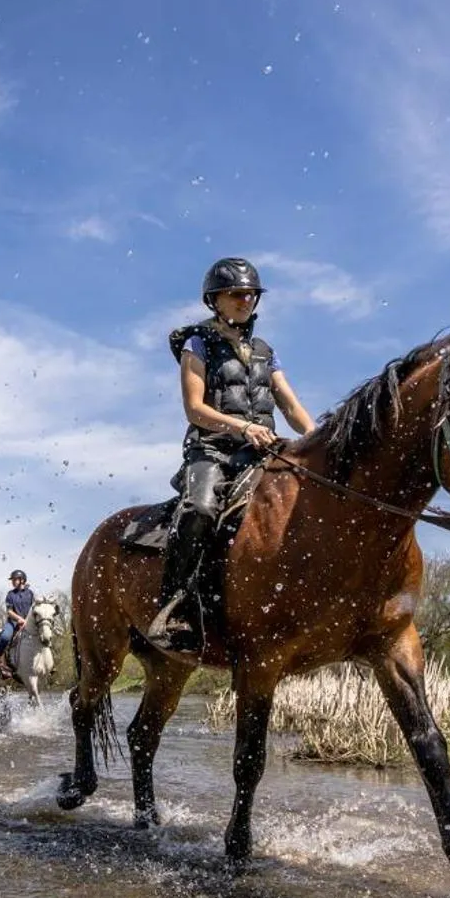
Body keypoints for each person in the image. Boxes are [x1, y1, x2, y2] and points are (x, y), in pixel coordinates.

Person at [145, 257, 315, 652]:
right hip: (213, 450)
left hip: (263, 451)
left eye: (251, 294)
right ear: (214, 300)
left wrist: (317, 439)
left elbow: (289, 405)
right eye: (236, 293)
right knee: (200, 509)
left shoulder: (264, 351)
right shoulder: (197, 343)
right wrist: (242, 427)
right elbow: (194, 409)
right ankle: (176, 606)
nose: (246, 299)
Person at [0, 569, 35, 677]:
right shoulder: (10, 595)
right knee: (5, 637)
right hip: (13, 622)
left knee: (45, 634)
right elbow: (9, 611)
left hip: (28, 622)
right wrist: (19, 619)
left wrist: (28, 620)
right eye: (12, 580)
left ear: (22, 580)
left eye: (15, 579)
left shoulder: (30, 593)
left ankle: (50, 663)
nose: (12, 582)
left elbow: (34, 608)